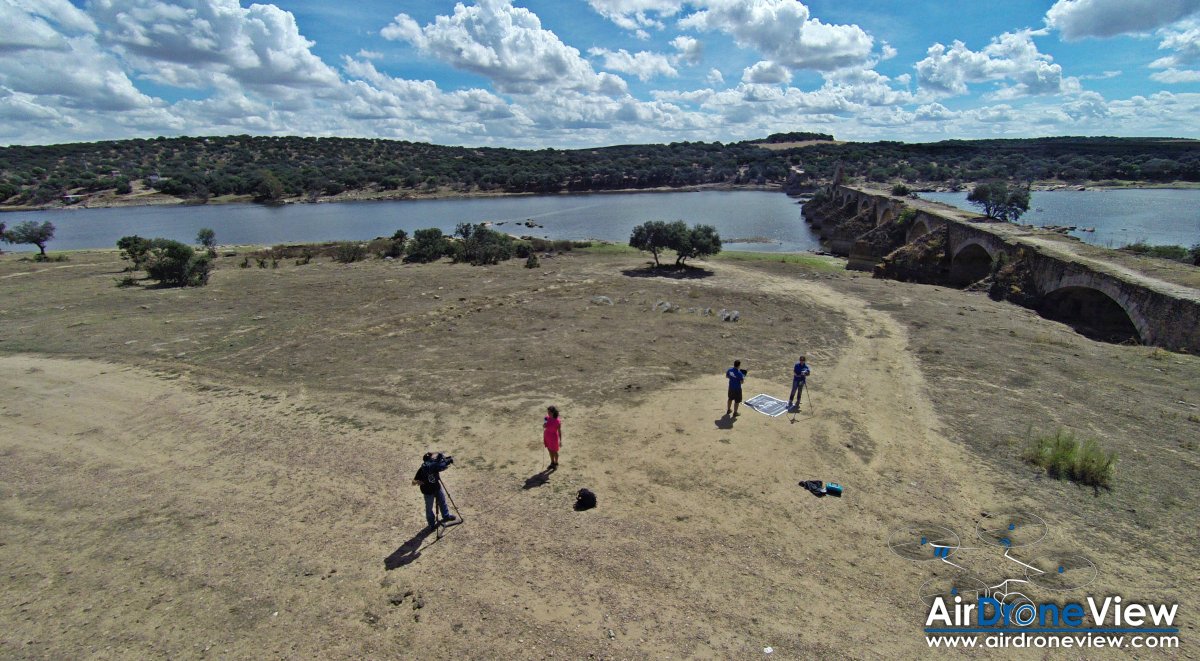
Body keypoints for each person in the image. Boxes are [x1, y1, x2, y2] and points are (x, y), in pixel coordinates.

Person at [412, 452, 456, 529]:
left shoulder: (435, 465)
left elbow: (442, 464)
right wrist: (418, 482)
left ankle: (446, 516)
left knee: (442, 502)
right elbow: (413, 482)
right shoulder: (422, 470)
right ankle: (431, 524)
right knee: (429, 508)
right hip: (428, 492)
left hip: (437, 488)